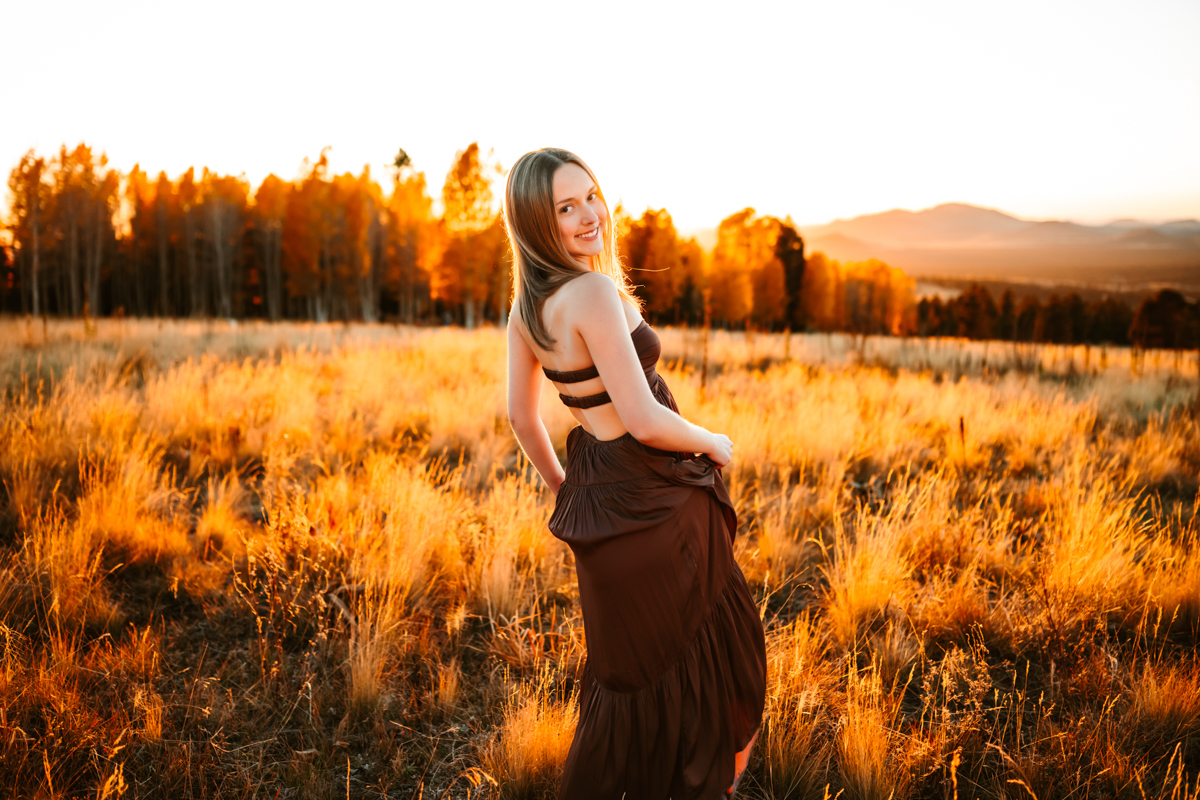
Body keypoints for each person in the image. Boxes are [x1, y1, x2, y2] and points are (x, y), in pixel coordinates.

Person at [504, 147, 766, 799]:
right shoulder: (589, 291)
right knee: (721, 652)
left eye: (591, 195)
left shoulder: (527, 310)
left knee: (636, 674)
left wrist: (570, 491)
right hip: (654, 492)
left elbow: (522, 418)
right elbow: (645, 419)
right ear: (538, 223)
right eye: (566, 208)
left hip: (605, 491)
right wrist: (712, 441)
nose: (590, 214)